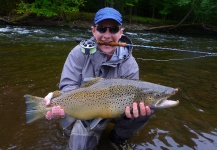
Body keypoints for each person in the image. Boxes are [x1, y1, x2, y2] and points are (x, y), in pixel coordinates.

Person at [44, 7, 152, 150]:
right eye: (102, 29)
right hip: (86, 109)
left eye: (113, 29)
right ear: (93, 30)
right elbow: (68, 86)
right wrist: (59, 101)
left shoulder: (130, 63)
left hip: (118, 108)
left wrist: (133, 112)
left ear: (121, 32)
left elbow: (135, 93)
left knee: (146, 105)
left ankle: (118, 138)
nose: (107, 36)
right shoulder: (78, 54)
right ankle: (76, 127)